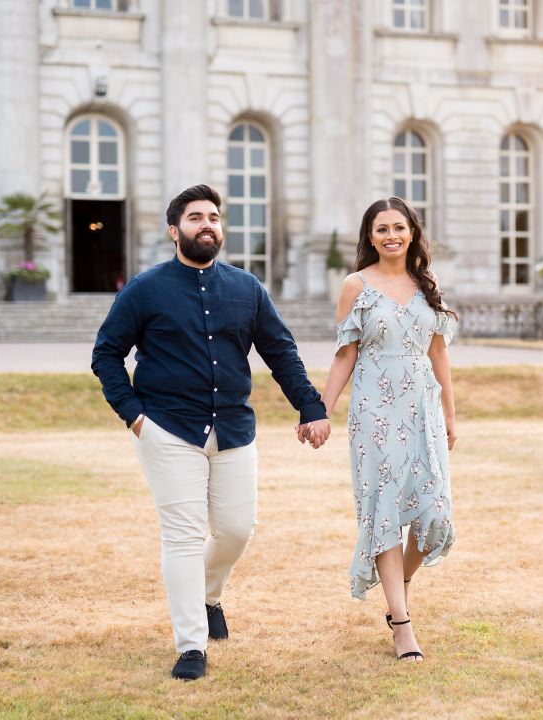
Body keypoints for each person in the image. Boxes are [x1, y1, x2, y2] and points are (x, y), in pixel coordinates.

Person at [91, 184, 331, 681]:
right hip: (168, 429)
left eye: (215, 217)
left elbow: (280, 352)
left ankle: (209, 595)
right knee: (181, 535)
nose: (208, 225)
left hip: (234, 428)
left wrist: (311, 406)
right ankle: (191, 645)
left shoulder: (247, 289)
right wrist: (134, 416)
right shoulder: (145, 289)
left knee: (237, 529)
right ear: (174, 230)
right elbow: (106, 355)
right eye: (196, 217)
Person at [318, 196, 457, 662]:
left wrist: (451, 417)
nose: (391, 235)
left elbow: (439, 355)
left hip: (423, 412)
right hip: (375, 415)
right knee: (383, 514)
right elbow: (345, 354)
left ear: (413, 232)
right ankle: (401, 624)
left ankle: (400, 585)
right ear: (370, 237)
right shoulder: (355, 285)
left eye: (399, 227)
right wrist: (323, 410)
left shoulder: (428, 285)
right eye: (382, 229)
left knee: (434, 515)